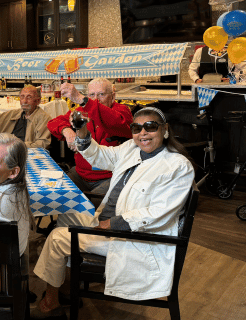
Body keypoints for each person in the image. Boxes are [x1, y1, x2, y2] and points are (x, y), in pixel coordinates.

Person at [32, 107, 194, 318]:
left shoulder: (177, 166)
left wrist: (112, 224)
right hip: (108, 221)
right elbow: (99, 156)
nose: (143, 133)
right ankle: (66, 288)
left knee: (56, 238)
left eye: (150, 127)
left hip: (133, 238)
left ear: (164, 130)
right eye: (137, 128)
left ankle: (50, 303)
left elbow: (159, 212)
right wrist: (81, 132)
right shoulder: (131, 148)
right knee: (67, 214)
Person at [48, 78, 133, 196]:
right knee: (55, 194)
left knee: (88, 205)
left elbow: (115, 121)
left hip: (110, 177)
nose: (96, 99)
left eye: (101, 94)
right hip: (80, 174)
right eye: (92, 95)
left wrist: (80, 98)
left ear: (113, 97)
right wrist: (67, 131)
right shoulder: (81, 111)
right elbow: (53, 123)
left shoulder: (121, 111)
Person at [0, 85, 51, 149]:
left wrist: (15, 146)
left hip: (25, 155)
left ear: (38, 101)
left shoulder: (44, 118)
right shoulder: (13, 114)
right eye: (22, 97)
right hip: (5, 154)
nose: (24, 101)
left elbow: (42, 144)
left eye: (29, 97)